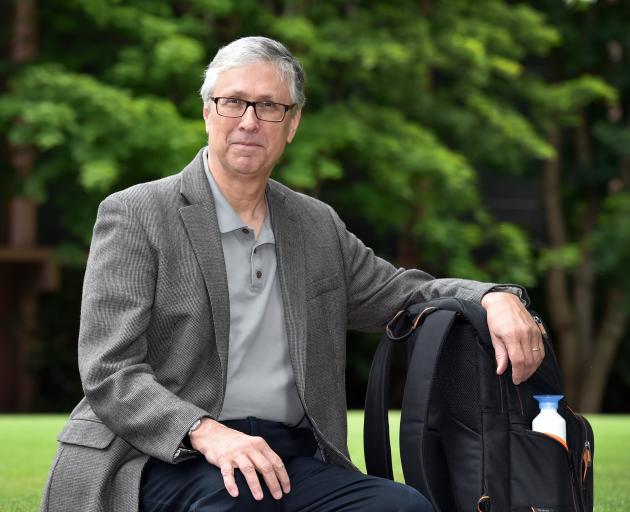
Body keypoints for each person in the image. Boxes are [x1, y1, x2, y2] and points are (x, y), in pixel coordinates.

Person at [40, 36, 544, 512]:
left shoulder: (314, 223)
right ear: (207, 111)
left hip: (290, 457)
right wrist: (205, 430)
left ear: (293, 122)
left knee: (402, 506)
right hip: (162, 453)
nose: (249, 121)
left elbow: (402, 294)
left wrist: (491, 296)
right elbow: (110, 370)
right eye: (232, 102)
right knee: (236, 501)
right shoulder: (136, 213)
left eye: (269, 106)